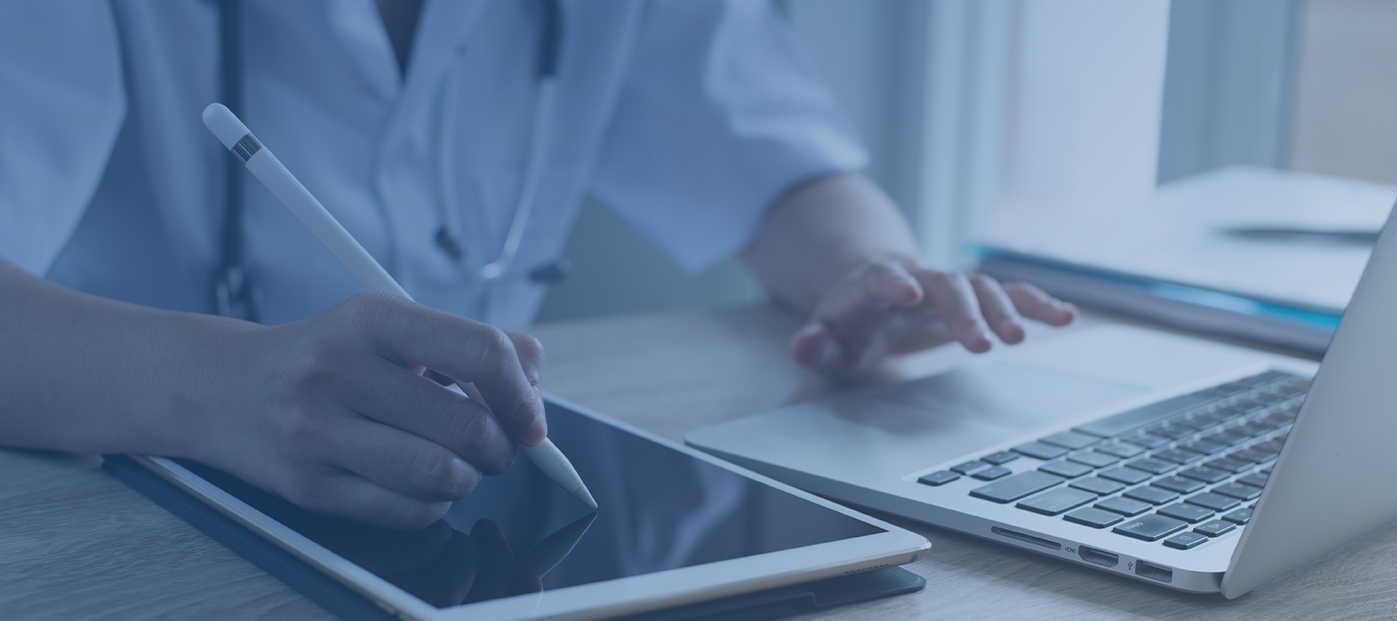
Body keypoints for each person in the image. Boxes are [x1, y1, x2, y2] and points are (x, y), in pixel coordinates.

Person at [0, 0, 1075, 529]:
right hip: (141, 513)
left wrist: (871, 272)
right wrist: (222, 387)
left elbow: (783, 169)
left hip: (480, 503)